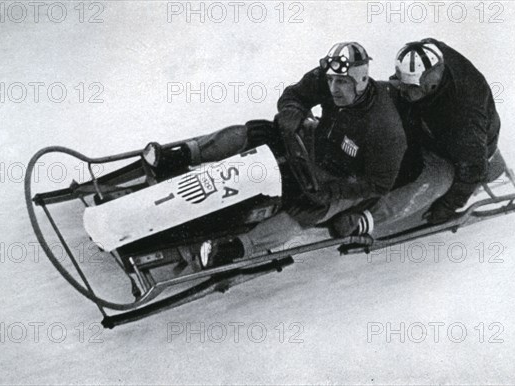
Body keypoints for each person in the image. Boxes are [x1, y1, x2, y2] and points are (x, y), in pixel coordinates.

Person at [144, 42, 407, 267]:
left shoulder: (385, 128)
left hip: (343, 179)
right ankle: (181, 156)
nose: (334, 88)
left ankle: (234, 249)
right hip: (316, 143)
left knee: (308, 208)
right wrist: (292, 112)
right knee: (256, 130)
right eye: (330, 80)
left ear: (359, 82)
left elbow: (379, 184)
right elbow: (294, 95)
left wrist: (335, 191)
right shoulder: (326, 81)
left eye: (342, 82)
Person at [332, 38, 507, 238]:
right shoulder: (426, 52)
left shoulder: (465, 118)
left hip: (452, 154)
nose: (403, 90)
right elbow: (401, 89)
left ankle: (366, 219)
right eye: (402, 82)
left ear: (430, 86)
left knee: (438, 177)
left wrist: (447, 207)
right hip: (428, 122)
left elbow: (474, 169)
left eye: (410, 88)